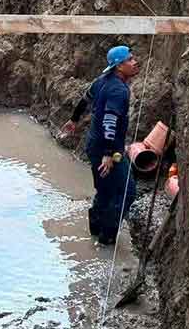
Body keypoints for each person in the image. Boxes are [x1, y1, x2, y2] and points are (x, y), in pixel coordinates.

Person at [84, 45, 141, 246]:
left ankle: (95, 229)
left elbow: (85, 98)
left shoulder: (101, 81)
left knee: (105, 189)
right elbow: (110, 121)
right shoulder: (118, 90)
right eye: (130, 60)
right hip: (107, 148)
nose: (135, 62)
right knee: (127, 191)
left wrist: (73, 120)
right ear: (118, 66)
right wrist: (109, 154)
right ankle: (107, 238)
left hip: (94, 144)